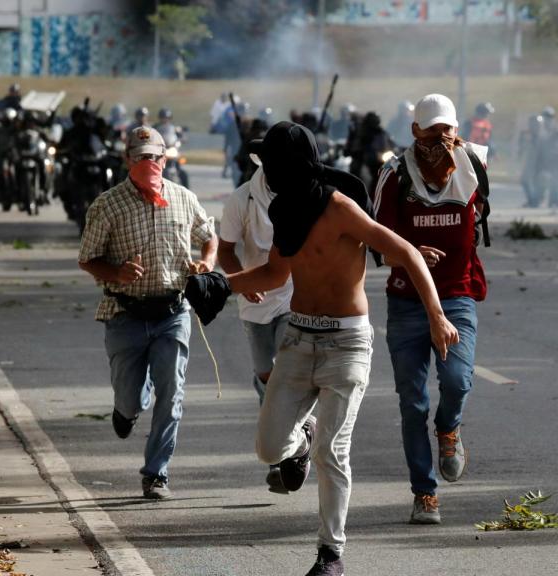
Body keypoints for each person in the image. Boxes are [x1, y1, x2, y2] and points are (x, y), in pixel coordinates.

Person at [184, 121, 458, 576]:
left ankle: (330, 553)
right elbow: (274, 275)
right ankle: (301, 436)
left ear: (288, 167)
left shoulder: (340, 208)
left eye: (272, 164)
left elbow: (407, 252)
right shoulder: (285, 212)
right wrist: (218, 283)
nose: (267, 173)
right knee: (270, 449)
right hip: (297, 336)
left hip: (347, 343)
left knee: (333, 451)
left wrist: (437, 315)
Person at [78, 124, 216, 501]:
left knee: (172, 393)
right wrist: (117, 272)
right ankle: (126, 410)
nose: (147, 163)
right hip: (125, 314)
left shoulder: (184, 198)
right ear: (127, 160)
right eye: (139, 157)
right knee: (131, 397)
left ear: (164, 158)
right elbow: (87, 259)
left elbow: (209, 235)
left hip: (172, 312)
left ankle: (156, 473)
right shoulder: (107, 205)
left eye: (154, 156)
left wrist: (205, 262)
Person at [371, 93, 487, 526]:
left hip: (457, 296)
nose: (442, 137)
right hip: (407, 302)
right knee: (411, 404)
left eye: (448, 128)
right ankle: (425, 493)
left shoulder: (474, 165)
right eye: (433, 129)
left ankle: (449, 429)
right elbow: (375, 241)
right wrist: (409, 253)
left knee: (457, 380)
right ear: (416, 131)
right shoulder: (394, 174)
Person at [217, 154, 291, 493]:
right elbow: (226, 250)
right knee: (267, 375)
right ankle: (278, 440)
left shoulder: (302, 194)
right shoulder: (241, 198)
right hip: (255, 300)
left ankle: (285, 454)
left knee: (291, 373)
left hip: (293, 296)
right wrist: (242, 283)